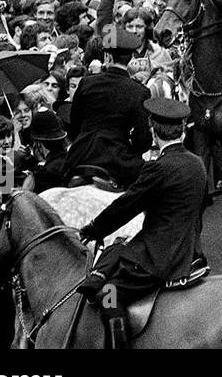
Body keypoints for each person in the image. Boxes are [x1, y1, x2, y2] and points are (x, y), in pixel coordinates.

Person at [76, 97, 207, 349]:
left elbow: (126, 206)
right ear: (182, 128)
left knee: (108, 295)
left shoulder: (159, 168)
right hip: (190, 248)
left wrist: (94, 228)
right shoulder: (197, 163)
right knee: (118, 246)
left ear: (152, 130)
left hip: (158, 257)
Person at [56, 25, 152, 187]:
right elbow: (142, 139)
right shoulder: (140, 91)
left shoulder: (87, 82)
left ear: (107, 55)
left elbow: (75, 125)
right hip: (119, 161)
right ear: (131, 58)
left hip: (80, 156)